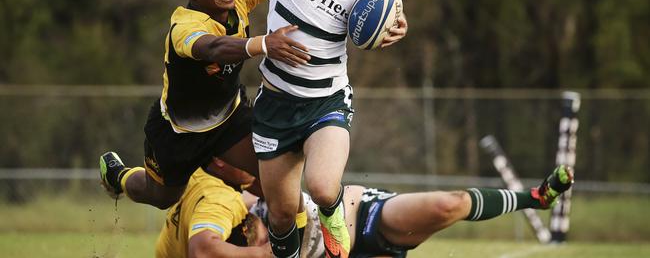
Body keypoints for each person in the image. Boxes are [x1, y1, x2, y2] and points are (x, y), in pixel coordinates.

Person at [229, 0, 408, 257]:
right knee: (281, 216)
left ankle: (333, 217)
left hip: (325, 101)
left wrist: (399, 26)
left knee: (324, 187)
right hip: (275, 105)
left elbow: (392, 15)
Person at [98, 0, 311, 209]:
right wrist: (264, 43)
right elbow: (213, 49)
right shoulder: (184, 26)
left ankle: (300, 243)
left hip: (229, 119)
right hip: (179, 133)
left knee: (276, 177)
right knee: (163, 198)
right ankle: (118, 176)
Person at [156, 158, 575, 258]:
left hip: (361, 216)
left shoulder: (245, 194)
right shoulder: (222, 214)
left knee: (453, 203)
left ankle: (534, 198)